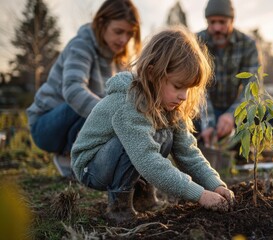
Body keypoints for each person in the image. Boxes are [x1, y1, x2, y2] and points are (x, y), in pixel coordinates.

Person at [71, 26, 235, 225]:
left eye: (188, 89)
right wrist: (200, 195)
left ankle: (143, 196)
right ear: (152, 74)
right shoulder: (128, 102)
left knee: (164, 135)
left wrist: (215, 184)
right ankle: (119, 207)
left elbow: (189, 153)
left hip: (121, 157)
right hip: (92, 167)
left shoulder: (171, 106)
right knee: (135, 142)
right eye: (177, 86)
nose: (184, 96)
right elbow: (147, 159)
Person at [26, 0, 142, 178]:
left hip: (72, 122)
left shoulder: (118, 58)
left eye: (129, 34)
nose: (124, 39)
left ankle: (78, 155)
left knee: (116, 103)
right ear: (101, 23)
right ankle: (69, 154)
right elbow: (73, 90)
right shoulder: (81, 45)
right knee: (88, 100)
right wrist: (113, 114)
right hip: (45, 126)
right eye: (118, 31)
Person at [196, 0, 273, 148]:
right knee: (177, 119)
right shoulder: (196, 42)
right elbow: (197, 89)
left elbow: (252, 88)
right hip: (203, 112)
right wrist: (209, 122)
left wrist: (232, 115)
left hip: (238, 112)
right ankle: (209, 139)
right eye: (212, 22)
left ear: (232, 20)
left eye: (222, 22)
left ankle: (237, 141)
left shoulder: (248, 45)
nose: (217, 27)